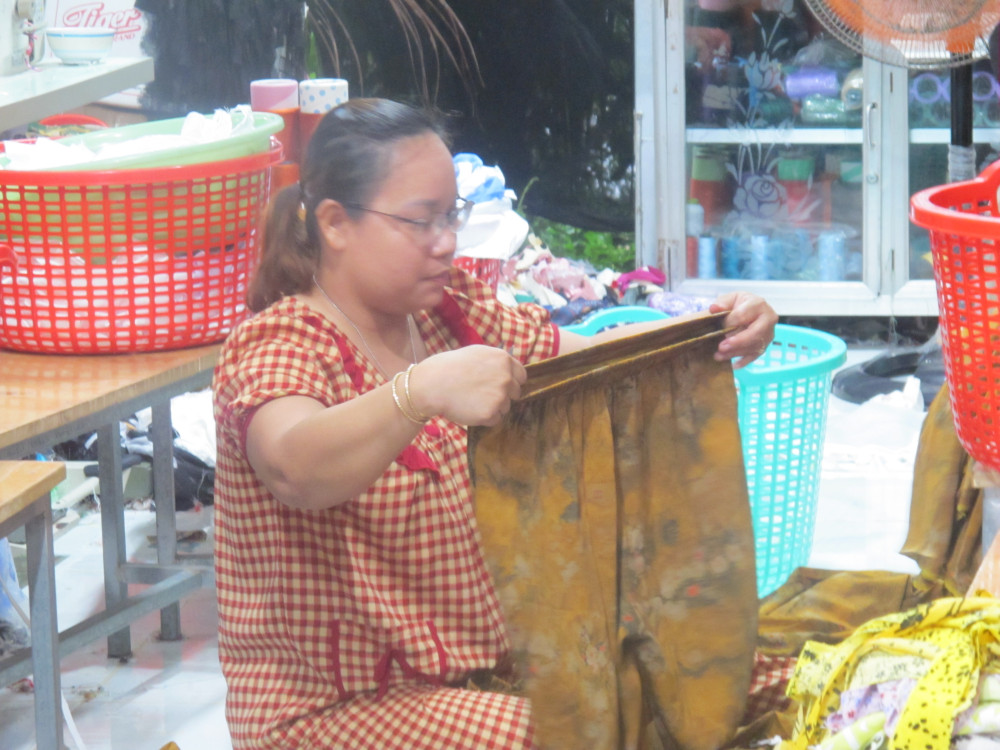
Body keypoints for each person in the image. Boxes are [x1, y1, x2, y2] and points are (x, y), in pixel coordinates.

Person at [212, 97, 777, 749]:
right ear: (336, 223)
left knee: (724, 678)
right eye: (420, 221)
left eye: (450, 215)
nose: (446, 242)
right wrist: (418, 392)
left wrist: (715, 330)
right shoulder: (280, 344)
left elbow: (597, 362)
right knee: (589, 737)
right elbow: (293, 465)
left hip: (480, 676)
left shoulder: (446, 313)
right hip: (334, 708)